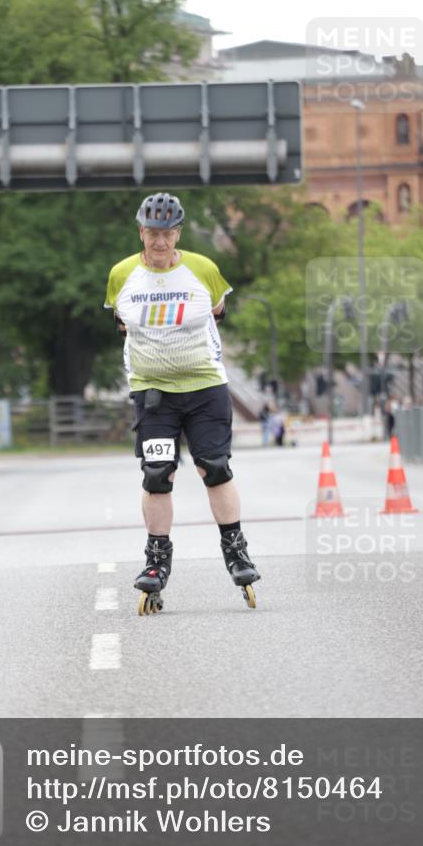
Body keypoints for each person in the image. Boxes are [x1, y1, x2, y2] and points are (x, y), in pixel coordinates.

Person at [104, 192, 260, 611]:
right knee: (157, 474)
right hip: (153, 393)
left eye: (167, 233)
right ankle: (156, 562)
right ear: (141, 232)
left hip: (205, 387)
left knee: (215, 468)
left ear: (178, 234)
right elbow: (121, 324)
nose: (159, 242)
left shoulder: (203, 270)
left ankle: (236, 549)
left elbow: (219, 309)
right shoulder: (121, 275)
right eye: (152, 233)